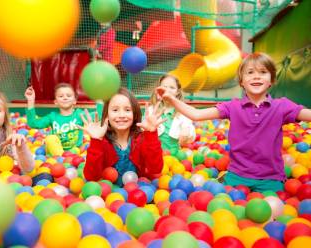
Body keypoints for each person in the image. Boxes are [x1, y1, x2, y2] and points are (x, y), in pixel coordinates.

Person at [157, 52, 311, 192]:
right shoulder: (233, 106)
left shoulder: (281, 106)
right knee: (215, 197)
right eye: (250, 73)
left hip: (270, 178)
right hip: (237, 176)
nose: (256, 76)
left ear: (271, 80)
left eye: (263, 72)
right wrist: (171, 99)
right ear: (241, 81)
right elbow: (196, 115)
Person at [80, 87, 165, 186]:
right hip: (109, 196)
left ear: (135, 113)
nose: (121, 115)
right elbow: (91, 177)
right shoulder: (102, 142)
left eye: (127, 110)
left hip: (139, 193)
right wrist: (95, 141)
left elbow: (155, 169)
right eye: (115, 110)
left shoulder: (142, 139)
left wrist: (151, 134)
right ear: (107, 114)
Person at [25, 83, 96, 155]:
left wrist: (100, 100)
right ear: (56, 102)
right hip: (56, 152)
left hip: (75, 151)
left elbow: (99, 116)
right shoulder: (52, 117)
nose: (65, 98)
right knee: (50, 138)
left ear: (75, 100)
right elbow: (33, 123)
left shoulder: (79, 114)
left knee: (80, 148)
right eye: (61, 96)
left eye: (69, 95)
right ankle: (61, 157)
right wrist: (30, 100)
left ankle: (64, 157)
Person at [0, 90, 34, 173]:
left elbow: (29, 169)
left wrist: (21, 147)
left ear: (5, 117)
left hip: (6, 181)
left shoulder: (10, 139)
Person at [150, 74, 196, 153]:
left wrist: (187, 131)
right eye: (164, 87)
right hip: (154, 154)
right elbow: (143, 130)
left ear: (177, 92)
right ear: (158, 90)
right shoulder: (152, 110)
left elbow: (191, 133)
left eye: (172, 87)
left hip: (174, 155)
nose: (167, 90)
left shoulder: (183, 112)